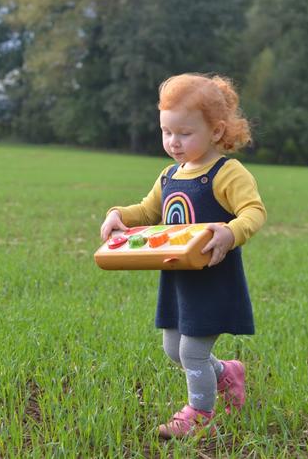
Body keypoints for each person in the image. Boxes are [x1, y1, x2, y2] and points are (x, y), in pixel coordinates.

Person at [99, 73, 266, 439]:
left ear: (216, 131)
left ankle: (200, 415)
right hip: (178, 278)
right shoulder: (170, 175)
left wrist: (230, 232)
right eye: (166, 132)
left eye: (184, 133)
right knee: (174, 349)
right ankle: (227, 373)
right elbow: (148, 211)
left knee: (192, 351)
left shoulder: (226, 173)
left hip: (213, 278)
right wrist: (118, 214)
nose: (173, 142)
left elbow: (253, 211)